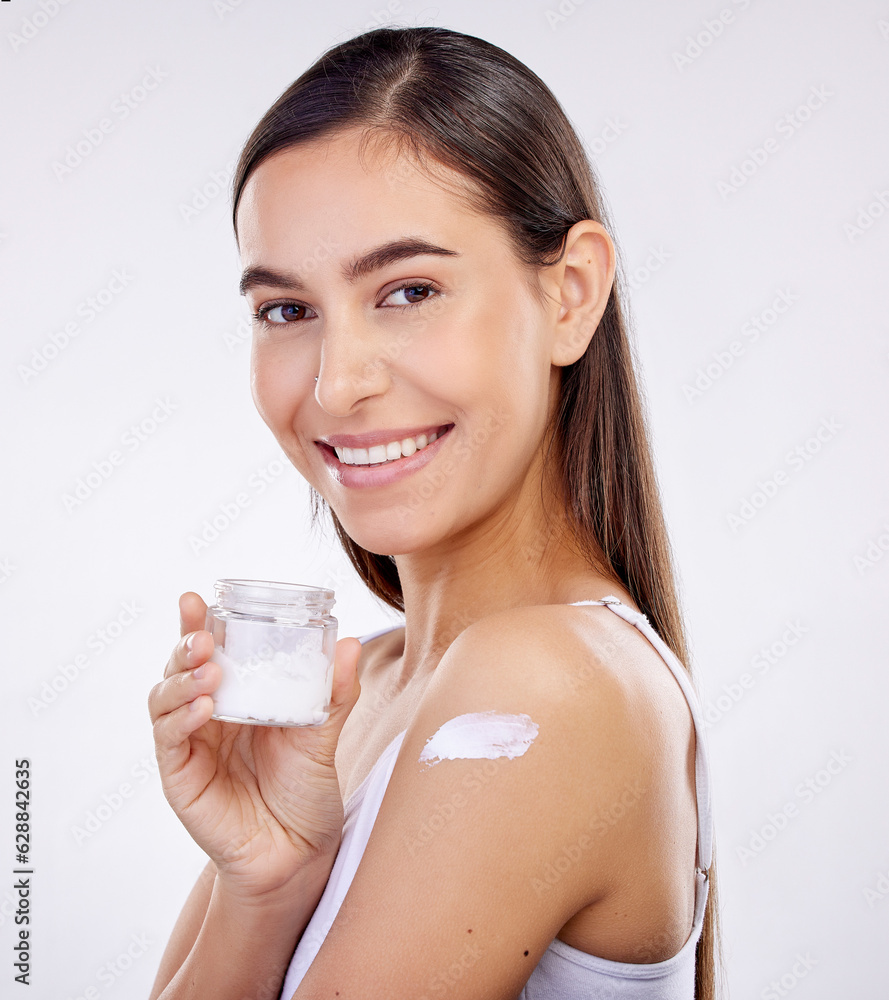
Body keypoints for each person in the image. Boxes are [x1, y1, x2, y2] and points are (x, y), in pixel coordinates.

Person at [147, 24, 722, 1000]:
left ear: (571, 293)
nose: (336, 383)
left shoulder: (544, 687)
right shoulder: (364, 688)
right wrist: (266, 886)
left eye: (408, 290)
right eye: (286, 309)